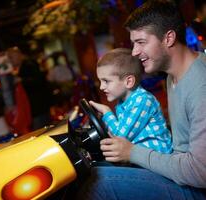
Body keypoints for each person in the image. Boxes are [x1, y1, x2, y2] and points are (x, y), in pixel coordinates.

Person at [78, 1, 206, 199]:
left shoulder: (200, 86)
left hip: (195, 188)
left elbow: (200, 173)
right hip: (179, 172)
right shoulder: (173, 76)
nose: (135, 52)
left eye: (141, 42)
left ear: (169, 38)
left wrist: (132, 153)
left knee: (96, 182)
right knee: (89, 168)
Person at [89, 48, 172, 154]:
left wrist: (106, 112)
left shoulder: (142, 100)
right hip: (139, 157)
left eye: (106, 81)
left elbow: (119, 139)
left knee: (98, 170)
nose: (101, 87)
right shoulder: (123, 102)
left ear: (128, 81)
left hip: (157, 159)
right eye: (100, 81)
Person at [7, 47, 52, 130]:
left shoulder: (29, 65)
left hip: (38, 108)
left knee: (42, 133)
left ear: (18, 55)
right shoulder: (22, 67)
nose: (10, 61)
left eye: (11, 57)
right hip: (34, 110)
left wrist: (22, 80)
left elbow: (39, 81)